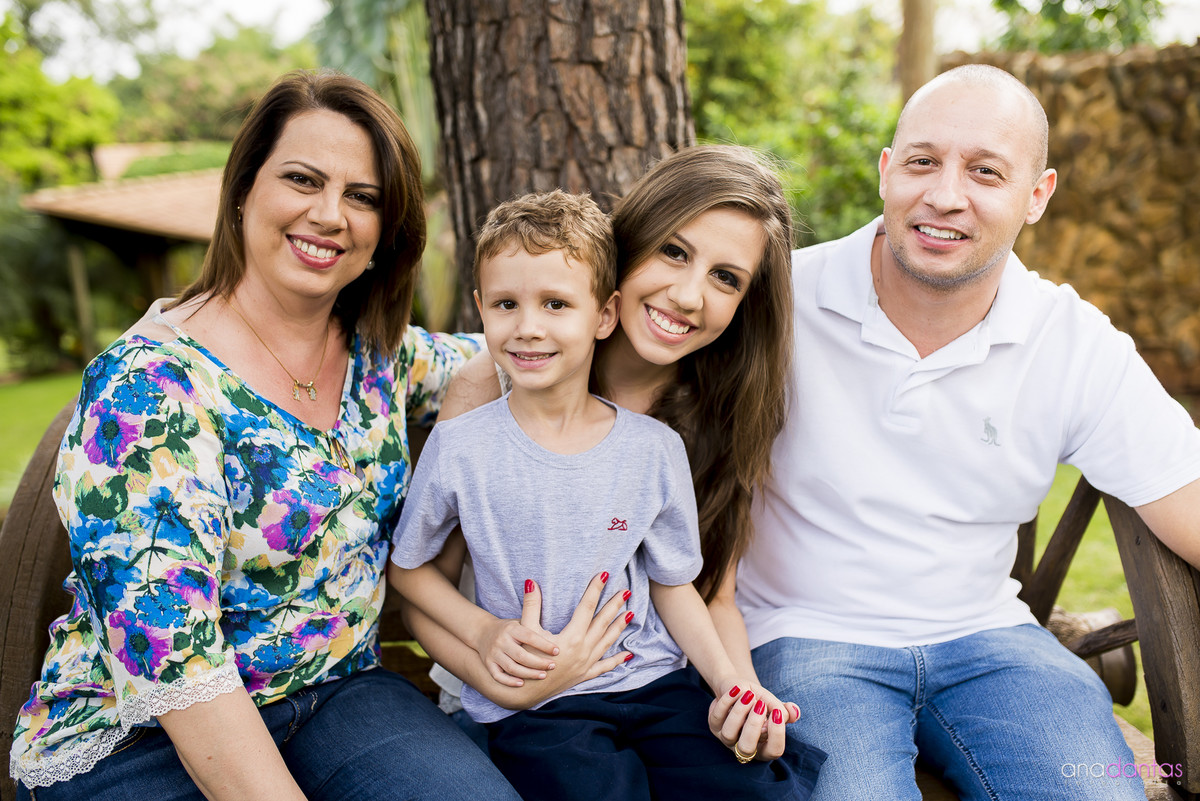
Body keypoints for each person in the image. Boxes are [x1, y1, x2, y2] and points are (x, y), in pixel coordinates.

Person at [9, 70, 520, 801]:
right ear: (245, 188)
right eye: (303, 179)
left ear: (384, 234)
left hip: (337, 692)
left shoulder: (380, 356)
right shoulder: (148, 386)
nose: (330, 214)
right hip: (143, 732)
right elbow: (175, 665)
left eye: (363, 197)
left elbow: (501, 353)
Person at [739, 64, 1200, 801]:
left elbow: (1190, 502)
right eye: (923, 161)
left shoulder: (1070, 340)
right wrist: (480, 374)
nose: (945, 195)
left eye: (986, 171)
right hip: (807, 638)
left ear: (1037, 196)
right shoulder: (775, 301)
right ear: (887, 172)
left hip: (992, 641)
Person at [389, 189, 823, 801]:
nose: (529, 327)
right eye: (506, 305)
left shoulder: (657, 447)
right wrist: (488, 637)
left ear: (603, 314)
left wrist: (733, 684)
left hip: (653, 682)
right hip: (539, 705)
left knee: (760, 790)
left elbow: (680, 587)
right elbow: (413, 572)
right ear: (481, 309)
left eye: (556, 304)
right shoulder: (466, 440)